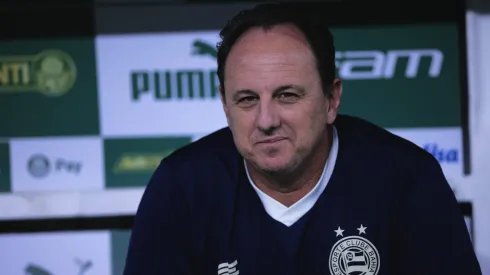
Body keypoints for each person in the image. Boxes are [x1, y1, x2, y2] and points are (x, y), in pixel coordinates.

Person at [122, 3, 481, 275]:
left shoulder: (407, 180)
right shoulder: (180, 187)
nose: (266, 121)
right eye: (247, 99)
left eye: (287, 96)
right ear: (225, 104)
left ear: (331, 99)